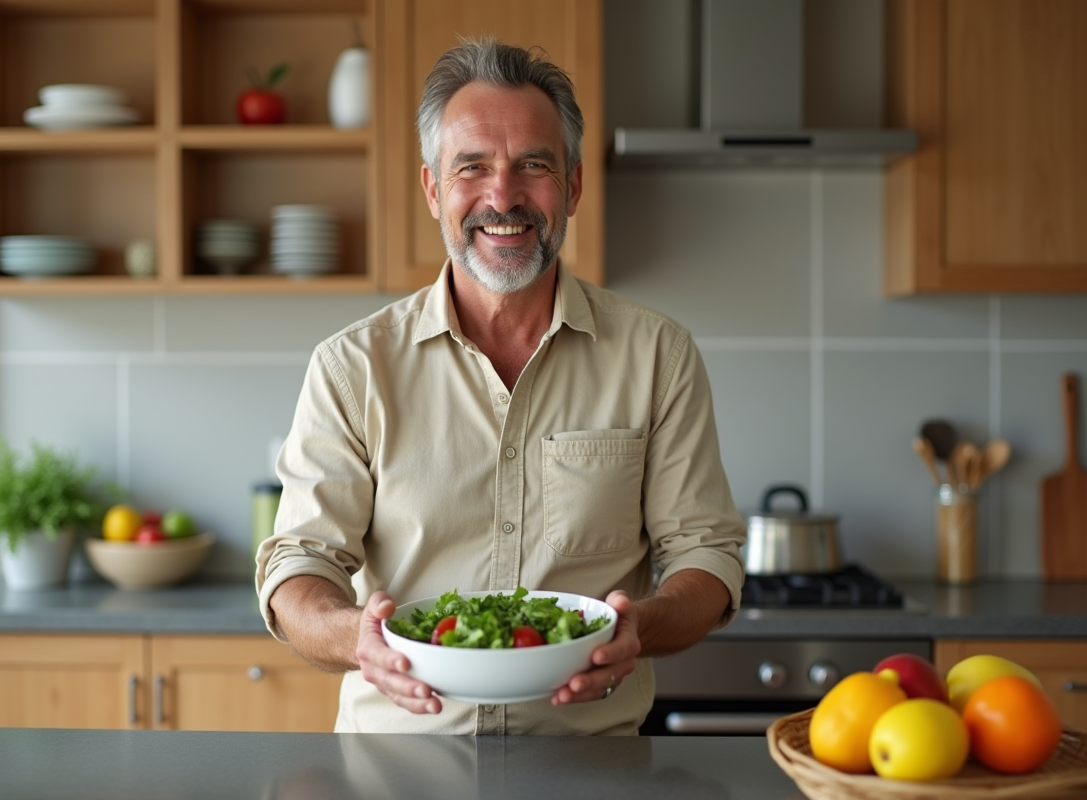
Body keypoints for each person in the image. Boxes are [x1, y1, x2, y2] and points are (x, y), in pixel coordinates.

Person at [256, 37, 745, 736]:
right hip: (397, 773)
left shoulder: (657, 354)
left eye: (533, 166)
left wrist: (641, 626)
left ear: (572, 185)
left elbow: (706, 555)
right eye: (472, 168)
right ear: (433, 189)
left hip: (591, 770)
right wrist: (351, 634)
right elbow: (299, 566)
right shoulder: (353, 366)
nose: (503, 197)